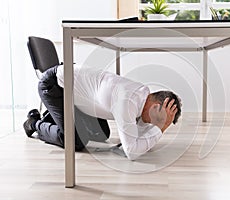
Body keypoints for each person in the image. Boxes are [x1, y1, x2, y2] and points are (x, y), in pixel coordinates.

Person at [23, 64, 182, 160]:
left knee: (102, 134)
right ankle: (35, 123)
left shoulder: (143, 96)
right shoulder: (127, 101)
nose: (155, 124)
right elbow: (132, 152)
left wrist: (158, 126)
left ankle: (54, 116)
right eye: (160, 119)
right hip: (54, 86)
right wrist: (161, 128)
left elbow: (139, 134)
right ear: (155, 107)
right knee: (75, 142)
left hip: (78, 96)